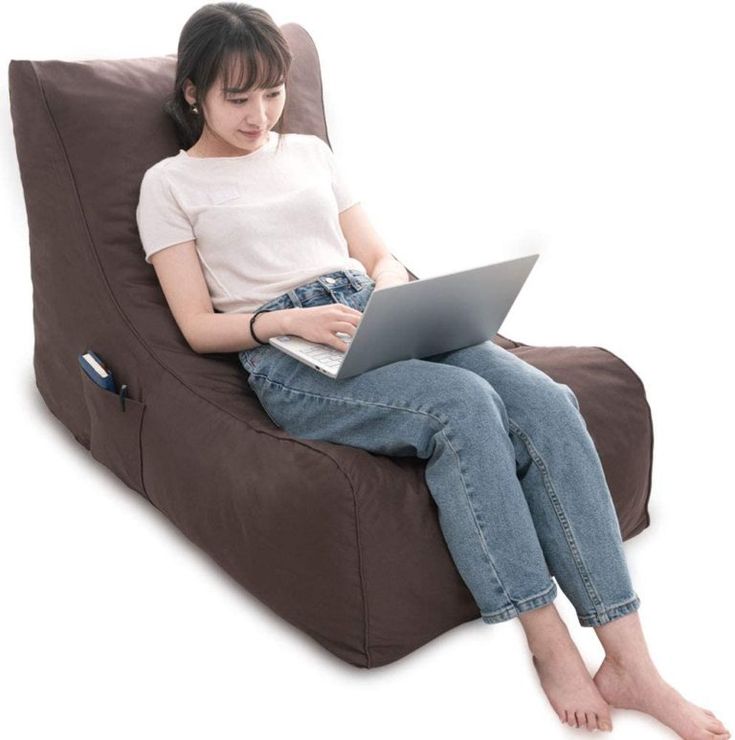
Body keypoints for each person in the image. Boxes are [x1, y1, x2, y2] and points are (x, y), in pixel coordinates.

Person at [135, 4, 730, 738]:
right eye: (237, 97)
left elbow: (375, 251)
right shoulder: (169, 185)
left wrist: (389, 284)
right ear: (192, 93)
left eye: (272, 92)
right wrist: (288, 321)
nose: (260, 114)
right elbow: (196, 326)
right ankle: (547, 643)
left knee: (547, 401)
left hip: (368, 309)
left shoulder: (308, 153)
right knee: (462, 405)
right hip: (284, 348)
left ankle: (629, 658)